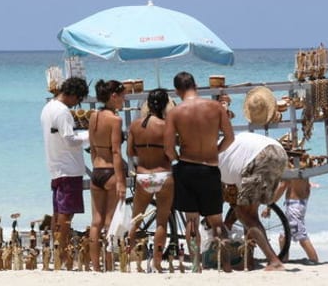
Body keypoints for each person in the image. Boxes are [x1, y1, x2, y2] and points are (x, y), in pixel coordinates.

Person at [164, 71, 235, 271]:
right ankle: (226, 264)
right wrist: (215, 151)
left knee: (192, 220)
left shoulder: (175, 112)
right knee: (217, 221)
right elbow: (230, 138)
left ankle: (196, 264)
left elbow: (168, 149)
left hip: (187, 167)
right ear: (196, 85)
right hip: (210, 168)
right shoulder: (215, 107)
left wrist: (179, 160)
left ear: (178, 90)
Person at [217, 132, 287, 271]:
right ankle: (248, 261)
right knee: (247, 212)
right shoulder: (221, 147)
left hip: (260, 156)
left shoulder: (213, 162)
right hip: (279, 152)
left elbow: (221, 199)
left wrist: (223, 223)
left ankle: (274, 261)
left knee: (246, 215)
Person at [41, 76, 90, 269]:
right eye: (77, 100)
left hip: (56, 166)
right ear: (72, 94)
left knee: (58, 212)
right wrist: (90, 135)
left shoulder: (48, 108)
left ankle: (57, 251)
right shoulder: (62, 112)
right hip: (68, 168)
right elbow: (70, 139)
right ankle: (62, 253)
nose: (76, 104)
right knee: (66, 214)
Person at [127, 88, 174, 272]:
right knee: (162, 221)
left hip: (143, 174)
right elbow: (170, 153)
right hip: (163, 174)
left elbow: (130, 152)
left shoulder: (135, 125)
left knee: (136, 220)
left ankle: (127, 257)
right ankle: (157, 262)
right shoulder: (166, 126)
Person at [87, 79, 126, 270]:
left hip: (96, 170)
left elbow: (93, 149)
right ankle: (109, 264)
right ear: (113, 96)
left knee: (96, 221)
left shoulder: (93, 116)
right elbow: (117, 151)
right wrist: (120, 181)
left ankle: (95, 264)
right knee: (110, 221)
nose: (123, 100)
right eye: (122, 96)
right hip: (110, 170)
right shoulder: (115, 120)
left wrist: (96, 165)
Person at [271, 175, 319, 263]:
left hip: (294, 205)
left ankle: (314, 260)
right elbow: (307, 186)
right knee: (283, 237)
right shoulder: (303, 165)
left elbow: (282, 186)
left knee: (301, 236)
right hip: (299, 203)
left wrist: (270, 204)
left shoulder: (292, 168)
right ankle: (284, 259)